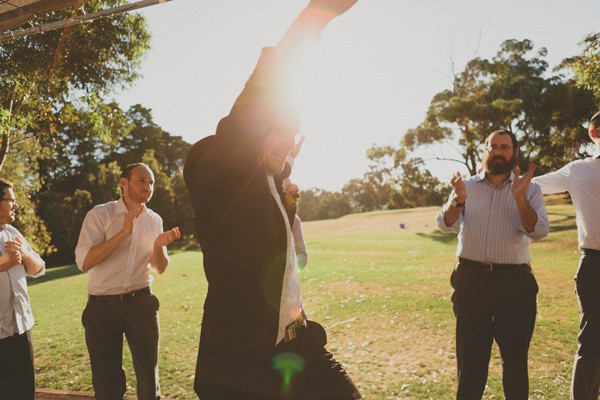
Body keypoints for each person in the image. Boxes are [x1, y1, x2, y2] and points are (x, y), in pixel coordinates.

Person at [183, 1, 361, 399]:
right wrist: (316, 16)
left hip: (299, 347)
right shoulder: (220, 177)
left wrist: (285, 189)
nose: (286, 140)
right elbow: (256, 101)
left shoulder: (271, 187)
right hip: (243, 365)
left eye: (292, 131)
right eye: (277, 129)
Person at [436, 129, 549, 400]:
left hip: (515, 284)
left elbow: (539, 230)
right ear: (485, 151)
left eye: (505, 147)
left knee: (515, 362)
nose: (498, 151)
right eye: (493, 146)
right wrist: (457, 200)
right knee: (471, 362)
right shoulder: (467, 186)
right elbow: (444, 224)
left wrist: (519, 198)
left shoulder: (531, 189)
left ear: (515, 153)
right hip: (471, 282)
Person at [74, 163, 180, 400]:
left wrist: (158, 246)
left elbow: (159, 268)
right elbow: (84, 262)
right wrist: (123, 232)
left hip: (142, 303)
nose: (148, 187)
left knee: (148, 379)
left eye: (151, 183)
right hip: (102, 307)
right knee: (107, 383)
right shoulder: (99, 214)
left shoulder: (155, 220)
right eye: (141, 180)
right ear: (124, 183)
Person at [532, 111, 600, 400]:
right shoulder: (579, 171)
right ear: (594, 133)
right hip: (595, 265)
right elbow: (531, 185)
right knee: (593, 341)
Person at [0, 178, 45, 400]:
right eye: (11, 200)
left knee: (25, 394)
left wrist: (24, 255)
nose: (15, 205)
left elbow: (38, 268)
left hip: (22, 330)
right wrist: (3, 263)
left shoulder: (13, 233)